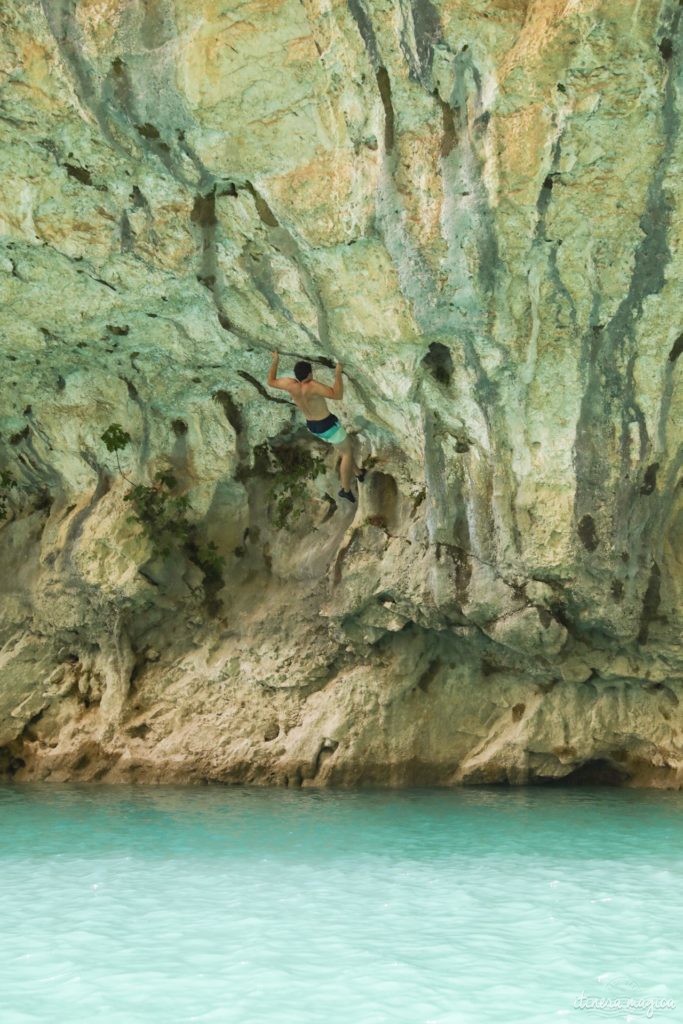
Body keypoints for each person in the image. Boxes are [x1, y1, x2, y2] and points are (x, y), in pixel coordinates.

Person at [265, 351, 364, 503]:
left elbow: (271, 381)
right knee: (347, 454)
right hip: (328, 426)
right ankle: (345, 490)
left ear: (296, 375)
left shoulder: (291, 385)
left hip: (313, 426)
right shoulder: (311, 386)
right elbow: (336, 395)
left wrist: (275, 360)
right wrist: (337, 373)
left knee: (342, 449)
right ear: (310, 373)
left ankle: (358, 473)